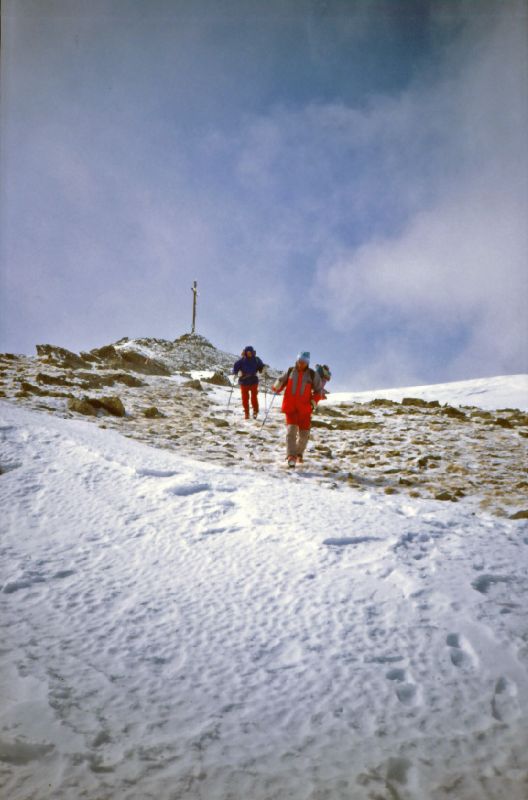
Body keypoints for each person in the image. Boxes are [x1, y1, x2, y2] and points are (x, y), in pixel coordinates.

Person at [273, 351, 323, 467]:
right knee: (291, 432)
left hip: (305, 409)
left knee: (304, 436)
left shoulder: (312, 375)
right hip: (290, 407)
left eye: (304, 362)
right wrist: (277, 386)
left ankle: (298, 453)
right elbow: (281, 381)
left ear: (307, 362)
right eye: (300, 361)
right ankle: (291, 456)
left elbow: (319, 391)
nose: (301, 363)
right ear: (297, 360)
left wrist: (313, 402)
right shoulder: (290, 371)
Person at [232, 345, 264, 419]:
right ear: (245, 352)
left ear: (253, 352)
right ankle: (247, 413)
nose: (249, 353)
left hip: (253, 381)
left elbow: (261, 367)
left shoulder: (256, 359)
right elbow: (235, 368)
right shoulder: (241, 360)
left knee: (254, 397)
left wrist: (263, 370)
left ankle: (255, 411)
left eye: (250, 352)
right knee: (245, 398)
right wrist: (235, 373)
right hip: (244, 381)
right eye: (248, 352)